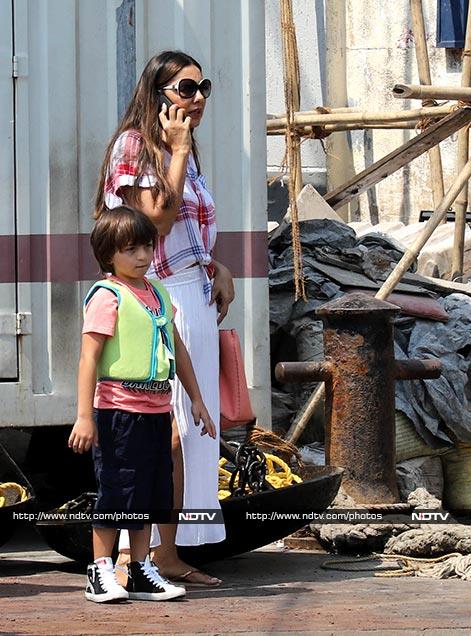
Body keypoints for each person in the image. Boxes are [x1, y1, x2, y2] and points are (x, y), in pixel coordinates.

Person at [94, 50, 234, 587]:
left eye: (203, 88)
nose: (196, 99)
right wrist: (175, 150)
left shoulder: (185, 151)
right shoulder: (137, 146)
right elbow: (155, 221)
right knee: (166, 432)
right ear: (157, 94)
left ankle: (172, 552)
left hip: (194, 292)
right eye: (184, 89)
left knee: (195, 432)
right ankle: (141, 556)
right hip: (161, 297)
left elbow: (189, 233)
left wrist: (219, 267)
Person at [69, 206, 217, 603]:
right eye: (130, 249)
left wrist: (197, 399)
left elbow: (178, 348)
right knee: (117, 491)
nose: (141, 257)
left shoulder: (157, 294)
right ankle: (100, 570)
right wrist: (85, 416)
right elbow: (88, 357)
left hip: (156, 410)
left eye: (147, 247)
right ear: (108, 255)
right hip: (119, 413)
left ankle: (139, 570)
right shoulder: (107, 295)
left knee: (151, 492)